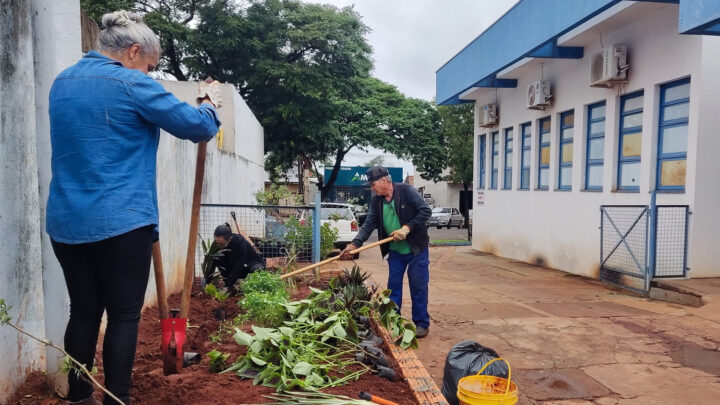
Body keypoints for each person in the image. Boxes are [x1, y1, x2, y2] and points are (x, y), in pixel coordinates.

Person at [46, 11, 223, 405]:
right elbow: (197, 127)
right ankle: (117, 399)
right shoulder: (130, 83)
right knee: (125, 315)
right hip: (122, 222)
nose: (148, 73)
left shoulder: (62, 82)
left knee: (84, 312)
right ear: (133, 51)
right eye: (149, 66)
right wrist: (210, 103)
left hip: (66, 222)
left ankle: (78, 396)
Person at [340, 167, 432, 338]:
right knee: (393, 288)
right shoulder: (376, 201)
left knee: (418, 286)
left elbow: (426, 211)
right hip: (395, 251)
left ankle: (422, 323)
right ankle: (393, 320)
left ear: (384, 181)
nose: (372, 188)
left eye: (373, 184)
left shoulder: (406, 191)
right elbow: (369, 224)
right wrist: (354, 244)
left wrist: (407, 228)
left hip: (415, 249)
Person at [209, 224, 265, 290]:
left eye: (221, 244)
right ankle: (231, 285)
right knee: (218, 259)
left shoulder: (240, 243)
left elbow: (238, 266)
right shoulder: (216, 244)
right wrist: (207, 283)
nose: (218, 246)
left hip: (248, 267)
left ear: (229, 240)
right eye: (217, 243)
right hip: (233, 268)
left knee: (257, 269)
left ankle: (251, 288)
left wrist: (227, 286)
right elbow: (212, 263)